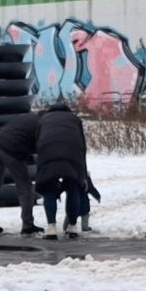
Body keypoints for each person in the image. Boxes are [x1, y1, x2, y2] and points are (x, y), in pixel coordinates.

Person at [33, 100, 96, 236]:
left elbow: (38, 143)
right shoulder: (75, 120)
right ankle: (72, 227)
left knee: (49, 188)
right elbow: (82, 146)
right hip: (72, 155)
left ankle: (51, 228)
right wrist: (82, 173)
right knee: (73, 186)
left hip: (48, 154)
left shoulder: (43, 120)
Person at [0, 105, 42, 237]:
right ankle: (27, 225)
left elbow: (17, 134)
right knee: (25, 187)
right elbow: (39, 147)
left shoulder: (24, 117)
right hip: (12, 150)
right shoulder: (42, 125)